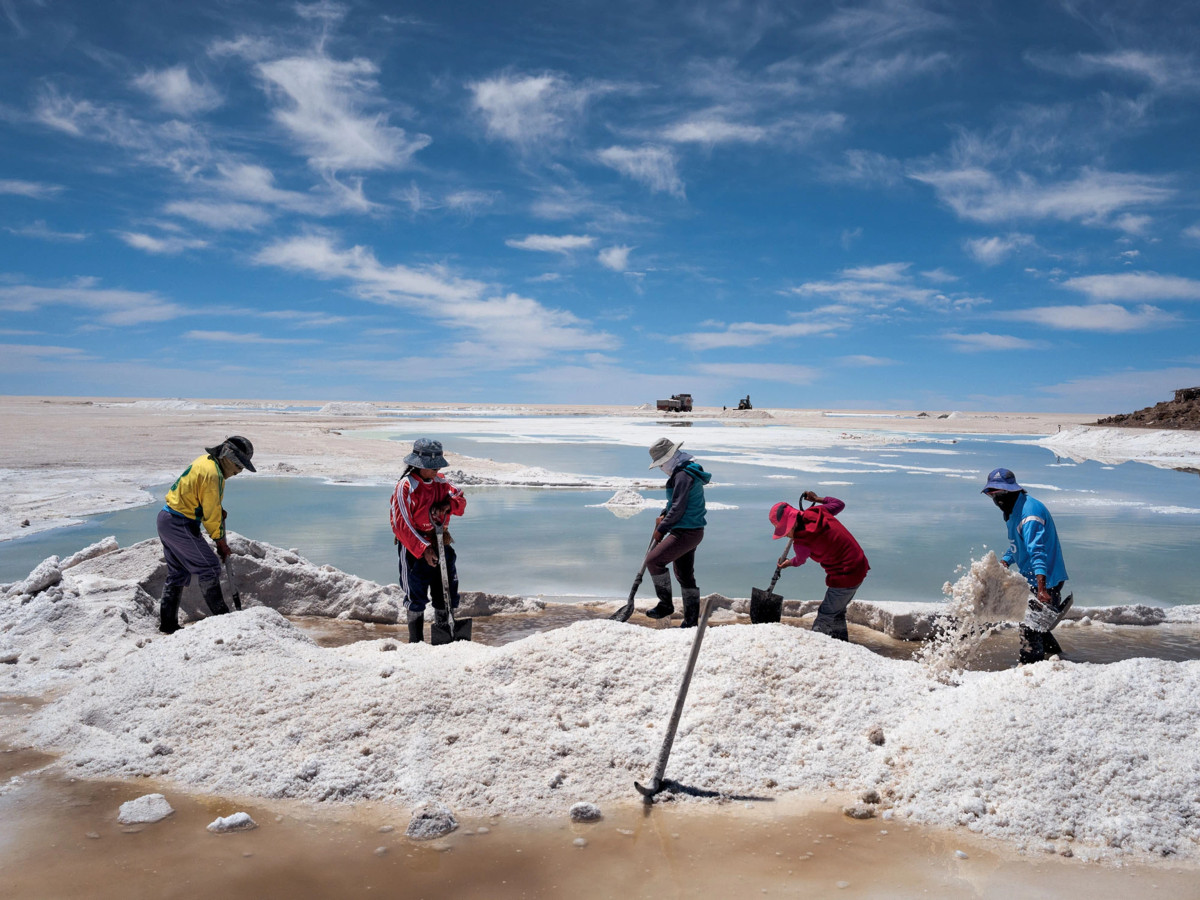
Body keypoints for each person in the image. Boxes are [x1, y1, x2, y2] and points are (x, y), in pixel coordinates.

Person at [155, 436, 256, 634]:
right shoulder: (213, 475)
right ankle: (223, 619)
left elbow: (203, 499)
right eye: (238, 465)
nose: (238, 471)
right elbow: (210, 516)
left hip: (166, 519)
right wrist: (221, 543)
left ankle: (168, 625)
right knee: (209, 566)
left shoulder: (206, 462)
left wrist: (217, 508)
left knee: (178, 573)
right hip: (180, 523)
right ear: (227, 457)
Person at [981, 467, 1071, 664]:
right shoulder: (1013, 510)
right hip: (1033, 578)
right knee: (1039, 625)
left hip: (1046, 580)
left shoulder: (1029, 515)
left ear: (1012, 491)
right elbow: (1018, 543)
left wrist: (1042, 589)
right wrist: (1005, 561)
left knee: (1029, 627)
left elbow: (1037, 551)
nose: (996, 499)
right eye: (991, 494)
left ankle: (1029, 668)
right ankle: (1058, 658)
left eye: (999, 494)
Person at [389, 438, 467, 643]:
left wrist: (448, 505)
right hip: (414, 548)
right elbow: (401, 525)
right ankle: (415, 642)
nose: (437, 469)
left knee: (446, 591)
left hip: (441, 542)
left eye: (438, 466)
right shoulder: (406, 486)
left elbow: (460, 500)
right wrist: (423, 549)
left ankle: (445, 638)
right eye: (432, 467)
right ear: (419, 465)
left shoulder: (441, 482)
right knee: (415, 595)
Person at [768, 491, 869, 642]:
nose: (786, 535)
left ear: (792, 524)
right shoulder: (817, 511)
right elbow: (839, 504)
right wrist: (816, 499)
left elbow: (799, 560)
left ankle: (816, 645)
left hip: (845, 575)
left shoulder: (801, 543)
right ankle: (841, 643)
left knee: (825, 615)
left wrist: (789, 563)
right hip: (859, 564)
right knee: (837, 612)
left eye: (785, 531)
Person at [642, 438, 712, 628]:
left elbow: (679, 507)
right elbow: (675, 503)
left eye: (661, 464)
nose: (661, 468)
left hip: (685, 532)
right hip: (692, 530)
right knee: (684, 574)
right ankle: (690, 621)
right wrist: (664, 513)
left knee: (653, 561)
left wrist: (661, 529)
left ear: (670, 458)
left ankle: (665, 605)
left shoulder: (682, 475)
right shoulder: (685, 471)